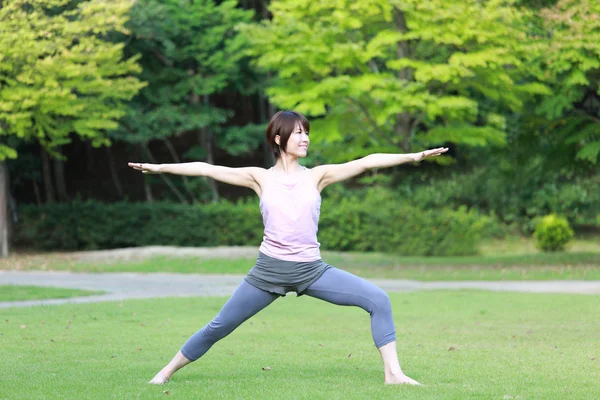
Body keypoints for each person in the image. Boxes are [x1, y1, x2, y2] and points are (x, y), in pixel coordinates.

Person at [128, 110, 448, 385]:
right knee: (220, 325)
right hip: (268, 272)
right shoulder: (259, 178)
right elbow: (206, 168)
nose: (305, 138)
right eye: (298, 133)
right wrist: (160, 168)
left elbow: (367, 162)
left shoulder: (318, 176)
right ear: (279, 140)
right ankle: (165, 373)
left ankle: (393, 374)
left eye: (307, 133)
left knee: (379, 299)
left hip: (312, 271)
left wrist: (413, 156)